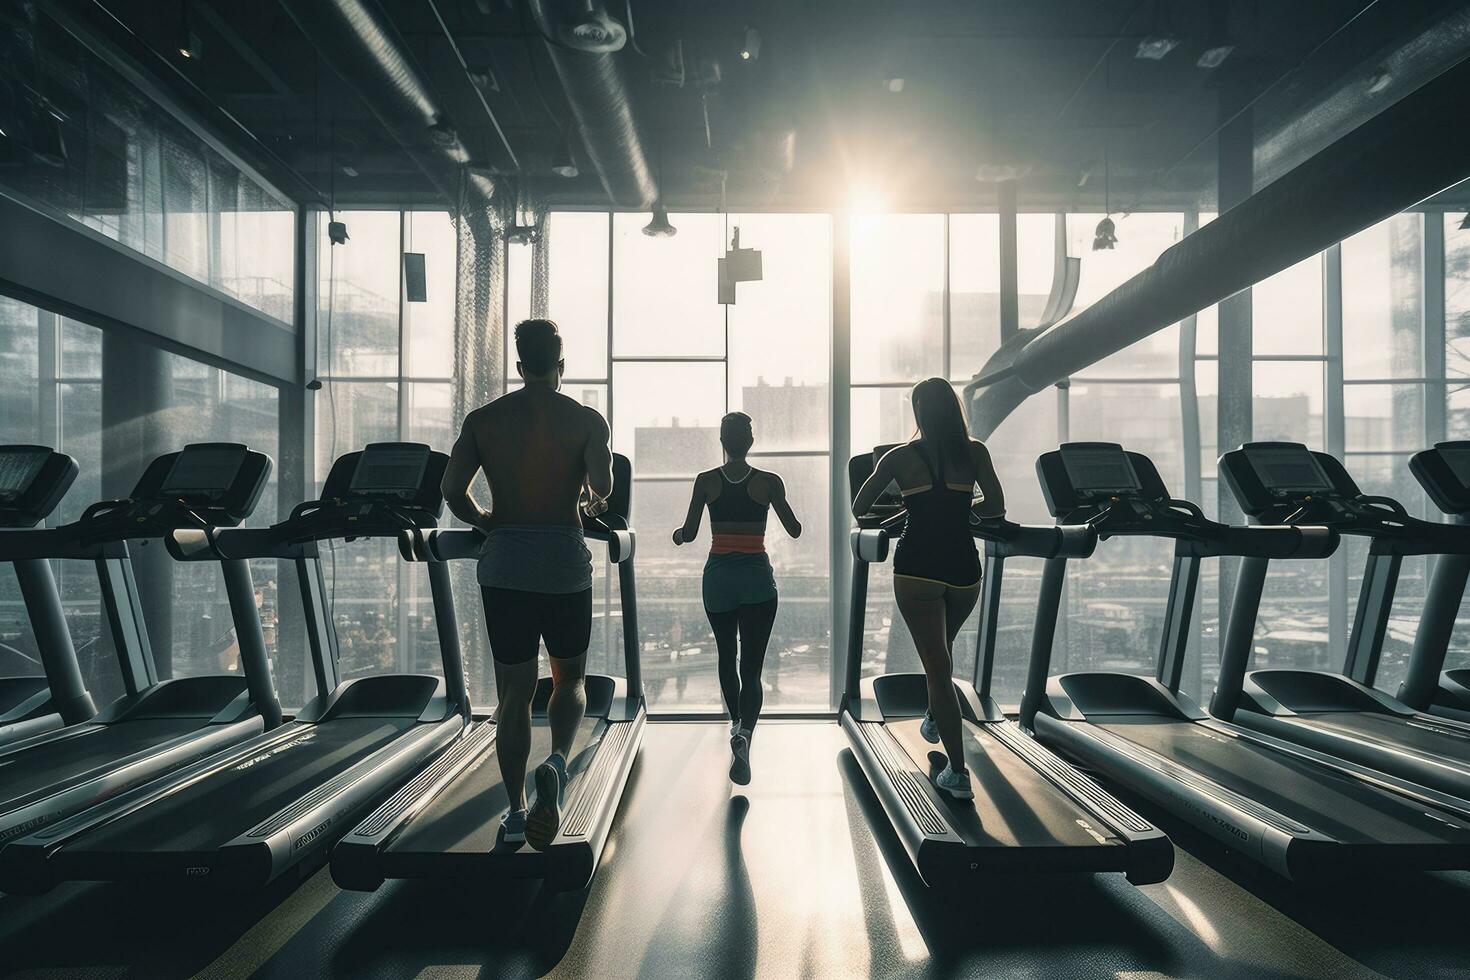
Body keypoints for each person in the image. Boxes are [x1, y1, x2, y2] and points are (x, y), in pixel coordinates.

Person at [441, 318, 613, 849]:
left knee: (513, 695)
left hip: (506, 566)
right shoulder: (586, 421)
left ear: (521, 367)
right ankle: (557, 765)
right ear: (560, 366)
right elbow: (602, 488)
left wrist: (488, 520)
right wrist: (586, 488)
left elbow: (453, 492)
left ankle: (515, 812)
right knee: (570, 682)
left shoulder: (484, 420)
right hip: (562, 562)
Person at [850, 378, 1005, 801]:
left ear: (918, 412)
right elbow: (995, 506)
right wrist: (961, 507)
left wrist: (911, 505)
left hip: (918, 568)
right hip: (963, 571)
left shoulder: (901, 457)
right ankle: (935, 715)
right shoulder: (975, 452)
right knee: (942, 650)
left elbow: (860, 506)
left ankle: (958, 773)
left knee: (938, 666)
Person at [672, 412, 801, 785]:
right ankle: (746, 734)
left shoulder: (706, 482)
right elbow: (794, 530)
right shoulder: (769, 483)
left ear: (722, 441)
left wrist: (677, 536)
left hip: (719, 580)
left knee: (727, 655)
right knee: (753, 668)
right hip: (757, 579)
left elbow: (691, 533)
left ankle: (734, 725)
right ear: (750, 441)